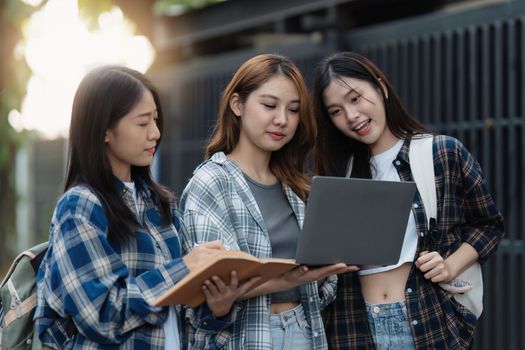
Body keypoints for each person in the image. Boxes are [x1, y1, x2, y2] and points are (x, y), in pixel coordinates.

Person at [34, 66, 256, 349]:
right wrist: (185, 268)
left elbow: (185, 313)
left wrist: (217, 306)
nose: (155, 133)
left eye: (156, 119)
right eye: (142, 123)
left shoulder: (159, 203)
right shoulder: (80, 206)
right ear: (104, 130)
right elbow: (100, 315)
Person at [312, 51, 505, 349]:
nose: (351, 116)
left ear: (381, 87)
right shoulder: (336, 175)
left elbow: (489, 225)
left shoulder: (441, 153)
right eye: (335, 111)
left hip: (427, 322)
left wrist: (451, 265)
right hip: (353, 328)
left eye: (355, 98)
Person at [179, 53, 357, 350]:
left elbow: (319, 288)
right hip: (245, 338)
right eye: (270, 106)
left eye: (294, 109)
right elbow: (215, 281)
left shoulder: (298, 187)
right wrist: (292, 278)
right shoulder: (211, 182)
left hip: (305, 331)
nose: (282, 120)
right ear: (237, 105)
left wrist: (326, 270)